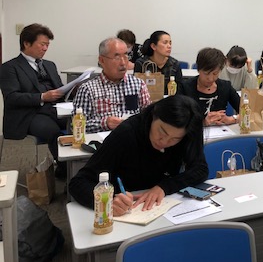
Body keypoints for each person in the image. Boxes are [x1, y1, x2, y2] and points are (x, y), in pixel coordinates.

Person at [69, 95, 207, 216]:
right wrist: (107, 202)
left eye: (175, 139)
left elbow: (200, 169)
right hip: (125, 209)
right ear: (154, 115)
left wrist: (164, 187)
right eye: (162, 131)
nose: (164, 141)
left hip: (161, 208)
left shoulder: (188, 131)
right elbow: (78, 183)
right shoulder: (127, 133)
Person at [0, 23, 68, 174]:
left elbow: (59, 88)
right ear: (26, 43)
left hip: (54, 109)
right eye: (42, 44)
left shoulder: (49, 65)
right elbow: (11, 98)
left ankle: (78, 165)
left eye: (47, 45)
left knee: (79, 123)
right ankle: (66, 170)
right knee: (53, 132)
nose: (45, 48)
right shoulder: (10, 67)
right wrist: (42, 97)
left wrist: (72, 89)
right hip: (29, 114)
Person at [75, 37, 151, 133]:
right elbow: (76, 126)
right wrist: (104, 123)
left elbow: (149, 117)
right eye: (117, 57)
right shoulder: (87, 89)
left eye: (126, 56)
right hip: (102, 140)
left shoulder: (138, 85)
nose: (123, 63)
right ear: (102, 60)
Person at [183, 48, 240, 126]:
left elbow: (248, 111)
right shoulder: (185, 87)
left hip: (221, 132)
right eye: (206, 73)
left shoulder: (225, 87)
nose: (210, 78)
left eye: (215, 73)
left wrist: (233, 119)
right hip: (194, 131)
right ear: (199, 69)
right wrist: (203, 122)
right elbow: (177, 118)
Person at [134, 30, 183, 95]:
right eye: (165, 43)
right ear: (153, 46)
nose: (169, 46)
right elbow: (136, 88)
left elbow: (179, 90)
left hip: (169, 100)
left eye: (170, 43)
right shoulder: (142, 64)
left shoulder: (175, 64)